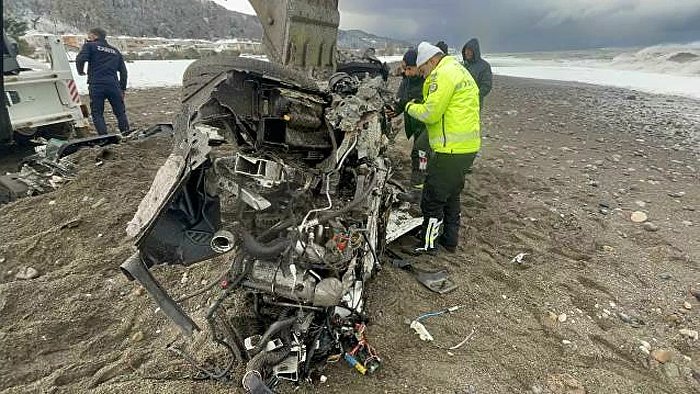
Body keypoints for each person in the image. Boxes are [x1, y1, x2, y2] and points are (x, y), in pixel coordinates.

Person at [405, 42, 481, 254]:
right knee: (452, 195)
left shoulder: (442, 74)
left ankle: (428, 244)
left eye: (422, 70)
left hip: (450, 149)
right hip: (467, 147)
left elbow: (431, 113)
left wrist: (409, 107)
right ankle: (449, 240)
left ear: (430, 61)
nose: (422, 74)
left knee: (432, 198)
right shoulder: (459, 70)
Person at [386, 48, 431, 189]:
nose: (406, 72)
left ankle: (419, 184)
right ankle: (418, 181)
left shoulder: (429, 81)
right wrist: (396, 109)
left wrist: (410, 104)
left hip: (427, 124)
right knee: (418, 153)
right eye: (404, 69)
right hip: (415, 123)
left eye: (409, 68)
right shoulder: (408, 79)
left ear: (419, 65)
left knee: (421, 153)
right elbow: (402, 98)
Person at [76, 27, 129, 135]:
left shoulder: (90, 46)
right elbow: (123, 72)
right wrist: (122, 88)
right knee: (120, 112)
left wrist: (80, 71)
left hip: (96, 84)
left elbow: (80, 59)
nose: (88, 37)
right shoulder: (115, 51)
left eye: (89, 35)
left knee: (97, 113)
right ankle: (126, 133)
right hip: (113, 85)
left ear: (95, 36)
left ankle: (103, 136)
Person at [462, 38, 492, 108]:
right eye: (466, 50)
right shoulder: (464, 65)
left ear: (475, 51)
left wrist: (475, 96)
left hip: (475, 102)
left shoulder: (484, 66)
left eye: (470, 50)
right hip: (460, 100)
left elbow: (487, 85)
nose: (467, 52)